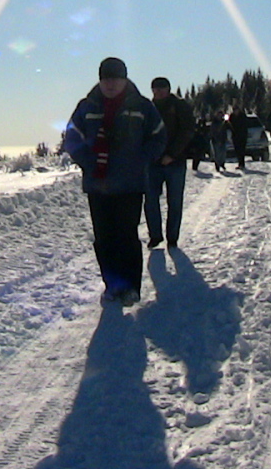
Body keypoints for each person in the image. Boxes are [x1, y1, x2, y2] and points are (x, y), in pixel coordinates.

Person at [62, 57, 167, 306]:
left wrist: (140, 159)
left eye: (115, 79)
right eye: (106, 79)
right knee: (103, 238)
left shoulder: (141, 106)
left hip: (130, 184)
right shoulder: (87, 107)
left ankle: (130, 287)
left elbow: (158, 136)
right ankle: (112, 285)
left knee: (126, 235)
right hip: (97, 185)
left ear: (124, 80)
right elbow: (72, 137)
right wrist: (89, 161)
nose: (110, 84)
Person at [145, 77, 195, 249]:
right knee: (150, 200)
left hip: (175, 161)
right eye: (155, 89)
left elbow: (187, 131)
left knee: (174, 201)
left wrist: (173, 154)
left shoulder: (179, 106)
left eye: (161, 88)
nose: (158, 92)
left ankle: (172, 237)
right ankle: (155, 235)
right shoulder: (149, 108)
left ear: (168, 89)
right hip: (153, 162)